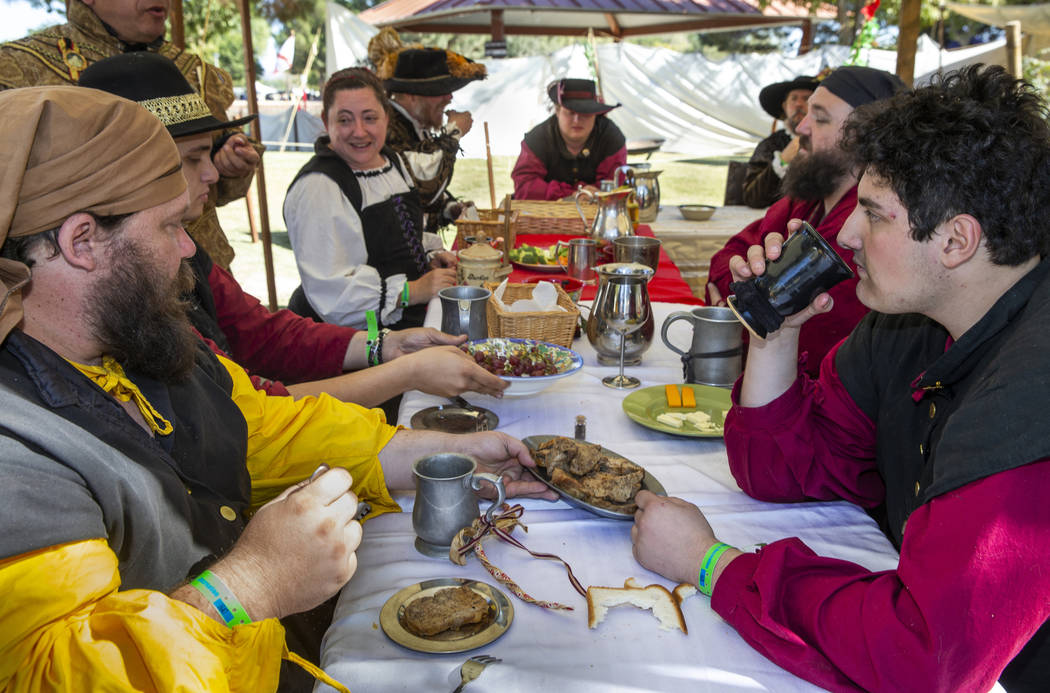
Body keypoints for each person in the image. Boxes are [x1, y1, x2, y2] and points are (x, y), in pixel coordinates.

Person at [0, 86, 555, 691]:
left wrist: (438, 455)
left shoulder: (134, 344)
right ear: (82, 242)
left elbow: (263, 429)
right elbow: (48, 674)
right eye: (169, 227)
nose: (189, 249)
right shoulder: (17, 447)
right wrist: (246, 589)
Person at [632, 65, 1050, 692]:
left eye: (875, 215)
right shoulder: (906, 325)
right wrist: (776, 334)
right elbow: (782, 471)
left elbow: (922, 660)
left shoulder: (1029, 398)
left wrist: (712, 564)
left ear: (957, 239)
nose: (847, 235)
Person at [78, 52, 508, 405]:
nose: (212, 173)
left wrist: (387, 347)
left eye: (370, 118)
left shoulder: (188, 254)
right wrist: (398, 358)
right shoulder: (320, 186)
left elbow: (262, 334)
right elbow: (241, 408)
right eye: (192, 159)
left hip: (362, 339)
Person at [0, 0, 261, 270]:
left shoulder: (193, 70)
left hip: (202, 274)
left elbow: (217, 180)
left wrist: (232, 163)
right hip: (82, 278)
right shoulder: (21, 68)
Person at [705, 65, 904, 376]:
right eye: (807, 113)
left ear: (866, 136)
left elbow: (801, 328)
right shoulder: (805, 199)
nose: (801, 128)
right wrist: (744, 294)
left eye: (821, 118)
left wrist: (741, 303)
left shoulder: (868, 223)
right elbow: (727, 256)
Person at [284, 67, 457, 330]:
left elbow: (397, 235)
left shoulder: (391, 161)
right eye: (344, 120)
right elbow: (334, 295)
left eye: (369, 118)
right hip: (352, 338)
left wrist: (428, 256)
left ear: (386, 118)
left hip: (404, 318)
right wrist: (413, 290)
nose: (359, 131)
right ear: (325, 120)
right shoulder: (318, 187)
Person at [369, 28, 486, 233]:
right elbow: (423, 186)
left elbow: (418, 199)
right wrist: (454, 132)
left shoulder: (414, 126)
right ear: (412, 96)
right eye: (439, 91)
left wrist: (450, 209)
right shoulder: (386, 126)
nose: (449, 98)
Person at [511, 78, 627, 200]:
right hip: (546, 216)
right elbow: (524, 186)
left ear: (595, 114)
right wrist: (571, 195)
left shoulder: (611, 138)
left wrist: (593, 194)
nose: (577, 120)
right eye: (570, 112)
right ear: (557, 111)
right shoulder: (538, 139)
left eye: (585, 113)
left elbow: (614, 184)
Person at [740, 74, 818, 208]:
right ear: (784, 106)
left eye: (806, 99)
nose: (799, 104)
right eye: (793, 99)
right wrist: (782, 160)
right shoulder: (770, 145)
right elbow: (752, 198)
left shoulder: (832, 143)